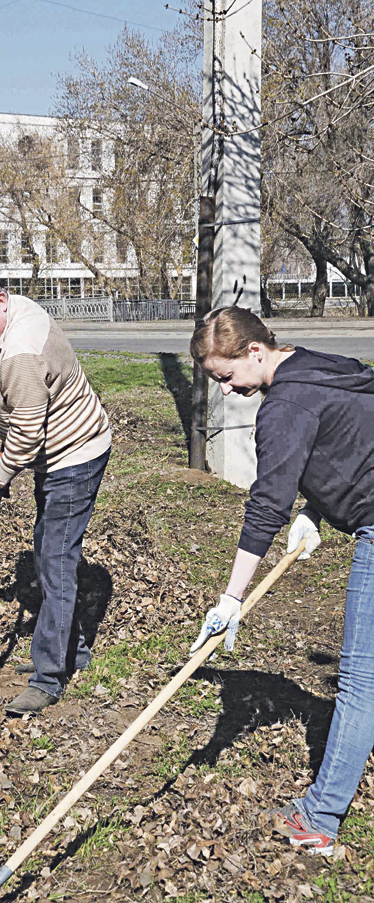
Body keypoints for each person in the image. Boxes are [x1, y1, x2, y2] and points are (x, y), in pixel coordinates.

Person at [189, 305, 374, 857]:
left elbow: (266, 504)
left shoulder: (284, 405)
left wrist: (231, 597)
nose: (226, 392)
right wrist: (316, 511)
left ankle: (318, 819)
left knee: (361, 680)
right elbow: (349, 438)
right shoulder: (317, 365)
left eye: (226, 377)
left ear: (253, 351)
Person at [0, 268, 111, 715]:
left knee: (55, 561)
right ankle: (71, 651)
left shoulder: (21, 351)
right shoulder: (12, 314)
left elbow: (25, 433)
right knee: (47, 551)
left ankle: (48, 678)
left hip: (72, 456)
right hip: (58, 451)